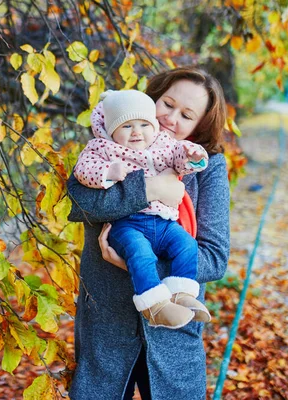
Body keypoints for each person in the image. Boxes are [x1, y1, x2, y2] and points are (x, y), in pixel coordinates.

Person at [67, 66, 230, 400]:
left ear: (199, 126)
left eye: (186, 115)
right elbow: (81, 205)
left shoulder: (206, 165)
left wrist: (141, 268)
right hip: (106, 325)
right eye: (167, 104)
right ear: (151, 98)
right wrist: (151, 188)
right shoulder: (107, 146)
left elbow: (214, 258)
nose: (171, 118)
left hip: (174, 331)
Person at [73, 89, 211, 329]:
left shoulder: (164, 143)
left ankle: (181, 293)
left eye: (143, 125)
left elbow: (179, 156)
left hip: (164, 222)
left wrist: (192, 155)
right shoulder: (103, 148)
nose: (136, 132)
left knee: (187, 245)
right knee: (140, 251)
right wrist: (108, 173)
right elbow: (83, 171)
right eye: (127, 127)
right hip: (128, 224)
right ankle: (154, 306)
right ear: (112, 130)